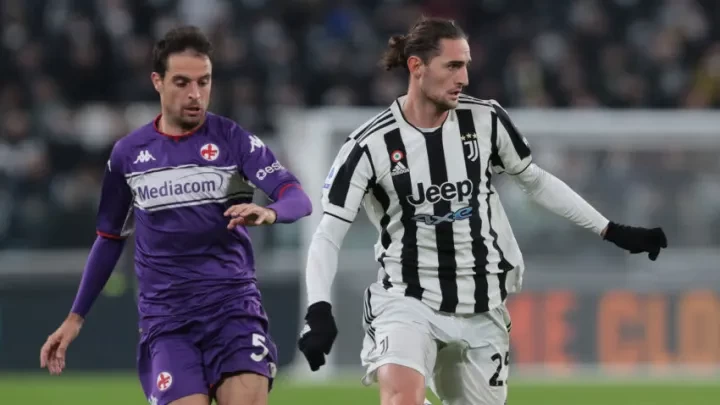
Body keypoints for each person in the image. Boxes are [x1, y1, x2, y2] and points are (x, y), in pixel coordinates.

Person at [297, 16, 667, 405]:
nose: (464, 78)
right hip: (406, 300)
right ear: (417, 66)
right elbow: (328, 235)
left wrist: (611, 230)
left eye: (466, 65)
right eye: (453, 66)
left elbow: (535, 181)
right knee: (401, 398)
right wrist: (318, 309)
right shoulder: (369, 146)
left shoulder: (485, 119)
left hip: (482, 305)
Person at [39, 26, 312, 405]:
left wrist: (269, 212)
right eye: (182, 82)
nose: (195, 94)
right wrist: (75, 318)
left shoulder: (233, 139)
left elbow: (296, 196)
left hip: (233, 312)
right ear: (158, 81)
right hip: (168, 322)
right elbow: (109, 238)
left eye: (204, 82)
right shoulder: (128, 155)